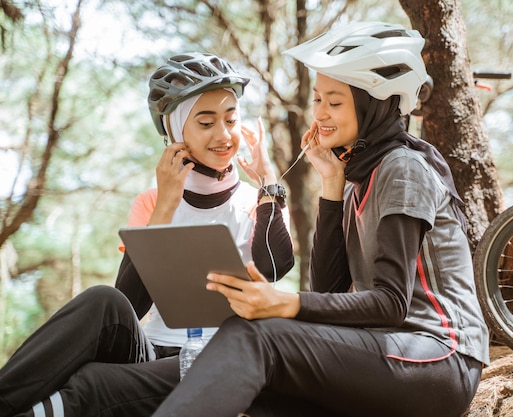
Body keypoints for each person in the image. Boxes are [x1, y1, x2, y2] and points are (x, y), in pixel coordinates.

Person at [151, 22, 490, 417]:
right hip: (389, 352)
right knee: (264, 385)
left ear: (373, 103)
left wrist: (284, 302)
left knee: (255, 337)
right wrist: (331, 184)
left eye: (335, 101)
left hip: (440, 355)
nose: (320, 114)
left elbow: (392, 303)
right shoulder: (357, 178)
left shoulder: (403, 167)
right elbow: (329, 287)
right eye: (317, 99)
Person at [0, 52, 294, 417]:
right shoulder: (151, 202)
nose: (224, 135)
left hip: (223, 357)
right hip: (153, 351)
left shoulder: (258, 201)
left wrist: (268, 183)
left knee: (91, 382)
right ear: (175, 132)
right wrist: (165, 209)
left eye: (231, 120)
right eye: (205, 123)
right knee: (101, 300)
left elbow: (275, 267)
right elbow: (128, 304)